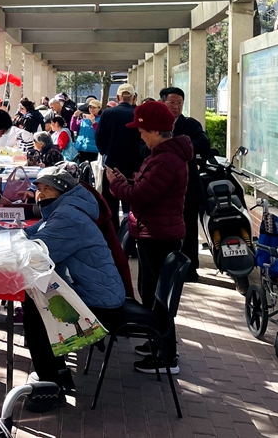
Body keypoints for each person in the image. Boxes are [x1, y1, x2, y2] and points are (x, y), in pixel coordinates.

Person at [20, 165, 126, 412]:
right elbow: (32, 234)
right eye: (39, 189)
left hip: (102, 303)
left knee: (37, 309)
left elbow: (39, 254)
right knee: (41, 298)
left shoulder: (68, 216)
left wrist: (2, 249)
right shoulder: (63, 210)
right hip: (98, 293)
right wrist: (6, 238)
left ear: (62, 191)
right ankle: (57, 370)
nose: (40, 194)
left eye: (47, 189)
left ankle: (50, 388)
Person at [105, 101, 193, 375]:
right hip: (153, 232)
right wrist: (126, 181)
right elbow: (145, 189)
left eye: (142, 130)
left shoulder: (166, 159)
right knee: (151, 294)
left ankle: (166, 356)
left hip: (159, 236)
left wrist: (116, 185)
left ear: (155, 130)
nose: (140, 135)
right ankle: (157, 343)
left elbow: (141, 196)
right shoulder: (161, 155)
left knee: (159, 299)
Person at [152, 87, 210, 282]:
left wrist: (174, 147)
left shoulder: (190, 125)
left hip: (188, 188)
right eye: (172, 103)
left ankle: (190, 270)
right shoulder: (155, 125)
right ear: (163, 103)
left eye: (179, 103)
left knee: (189, 231)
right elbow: (142, 149)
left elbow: (204, 144)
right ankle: (167, 269)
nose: (176, 107)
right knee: (166, 231)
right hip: (161, 188)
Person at [95, 83, 144, 230]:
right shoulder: (137, 114)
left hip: (111, 164)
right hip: (133, 166)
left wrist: (107, 152)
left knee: (111, 204)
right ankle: (131, 232)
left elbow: (99, 140)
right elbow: (141, 143)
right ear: (134, 98)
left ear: (118, 97)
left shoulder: (108, 114)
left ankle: (114, 234)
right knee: (132, 203)